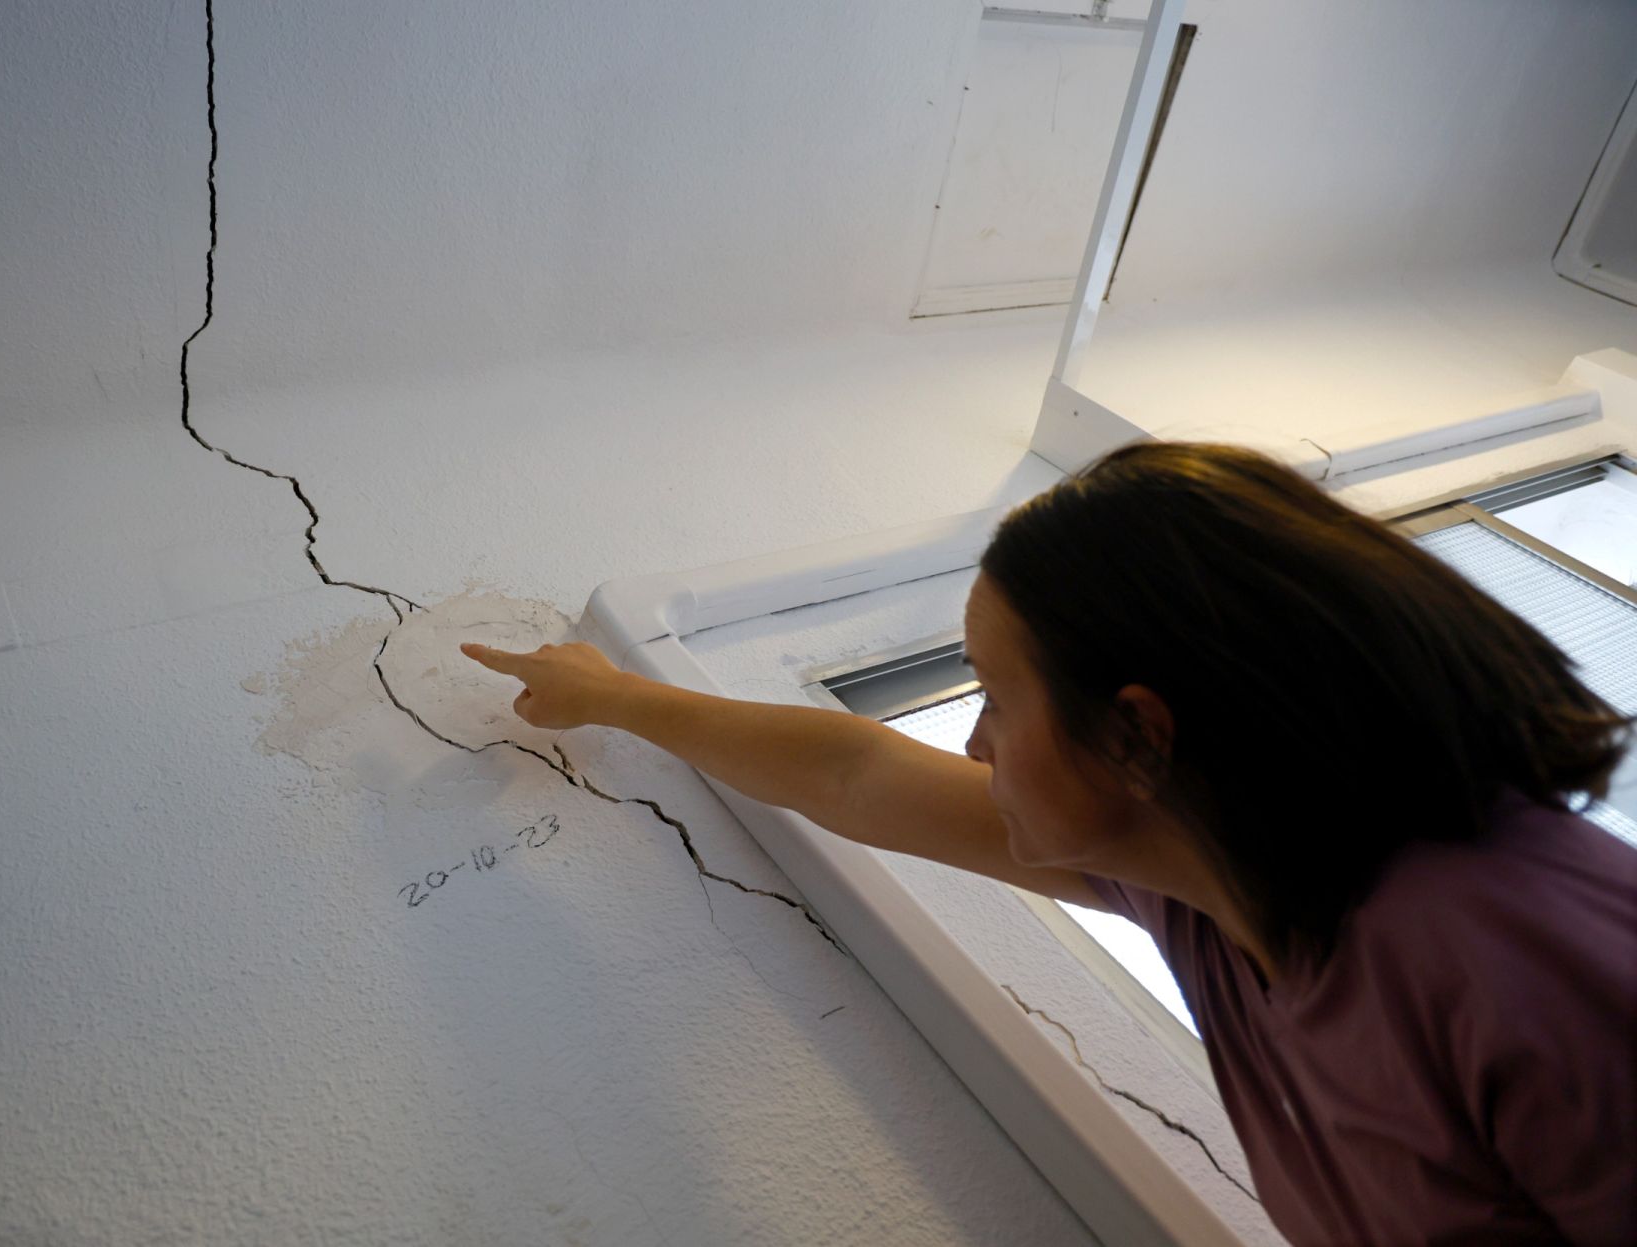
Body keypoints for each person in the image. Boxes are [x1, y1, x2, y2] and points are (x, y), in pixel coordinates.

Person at [460, 441, 1637, 1246]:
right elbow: (854, 769)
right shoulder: (1212, 888)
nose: (975, 746)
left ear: (1137, 734)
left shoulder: (1527, 958)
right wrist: (610, 694)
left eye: (997, 697)